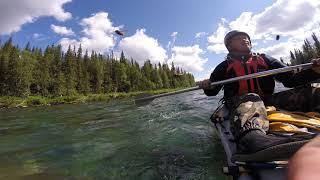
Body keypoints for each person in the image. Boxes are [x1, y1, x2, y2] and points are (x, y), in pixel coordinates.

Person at [199, 30, 320, 154]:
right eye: (239, 38)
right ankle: (252, 139)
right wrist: (207, 86)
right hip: (238, 103)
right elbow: (212, 92)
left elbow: (289, 80)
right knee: (251, 97)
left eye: (247, 38)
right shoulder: (223, 66)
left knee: (314, 90)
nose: (245, 39)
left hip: (267, 100)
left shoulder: (265, 59)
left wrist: (314, 71)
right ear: (229, 46)